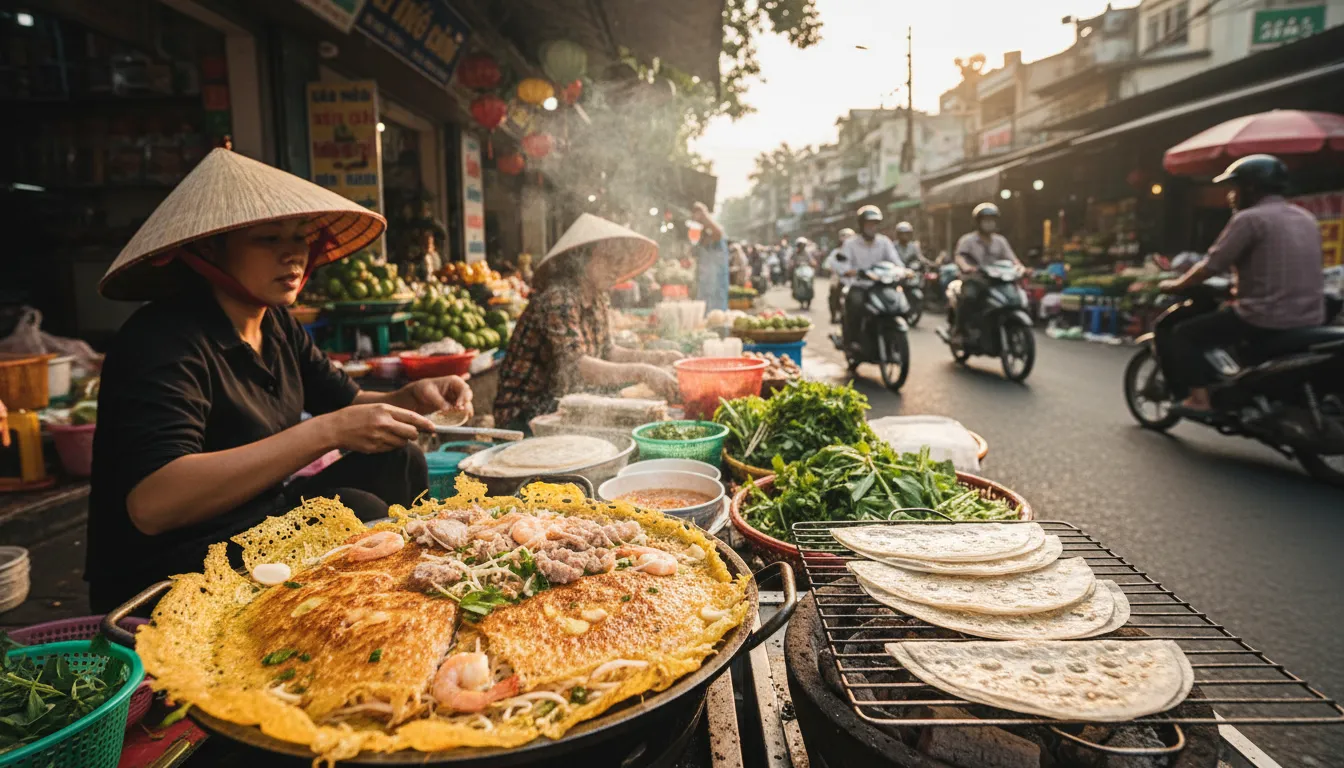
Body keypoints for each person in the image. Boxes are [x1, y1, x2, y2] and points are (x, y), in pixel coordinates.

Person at [86, 148, 472, 611]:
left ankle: (411, 603)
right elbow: (153, 506)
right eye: (269, 238)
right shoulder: (162, 339)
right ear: (209, 249)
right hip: (169, 565)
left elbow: (346, 401)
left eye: (300, 237)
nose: (292, 254)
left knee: (400, 460)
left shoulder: (277, 323)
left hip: (256, 520)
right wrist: (324, 432)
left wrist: (412, 397)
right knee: (360, 511)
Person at [1156, 154, 1324, 412]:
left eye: (1234, 189)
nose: (1231, 196)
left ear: (1251, 188)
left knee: (1184, 334)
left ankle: (1199, 400)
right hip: (1309, 316)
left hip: (1263, 316)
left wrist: (1177, 284)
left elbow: (1212, 265)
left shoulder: (1249, 219)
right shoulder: (1306, 218)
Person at [495, 214, 682, 431]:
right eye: (609, 258)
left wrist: (658, 358)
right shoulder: (558, 297)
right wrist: (643, 372)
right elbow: (578, 365)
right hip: (525, 414)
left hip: (563, 403)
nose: (616, 268)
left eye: (620, 261)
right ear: (581, 258)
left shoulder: (598, 297)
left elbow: (607, 351)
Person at [951, 202, 1021, 340]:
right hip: (975, 279)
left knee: (1014, 297)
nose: (989, 223)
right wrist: (966, 267)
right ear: (978, 222)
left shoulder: (1000, 241)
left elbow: (1013, 259)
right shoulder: (968, 240)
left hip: (997, 280)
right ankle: (959, 331)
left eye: (992, 220)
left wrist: (1020, 268)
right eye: (986, 220)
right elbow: (959, 256)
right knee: (968, 298)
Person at [839, 206, 904, 344]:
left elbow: (896, 261)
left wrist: (904, 271)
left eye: (875, 224)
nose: (872, 227)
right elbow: (843, 265)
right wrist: (852, 271)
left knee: (896, 303)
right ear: (861, 225)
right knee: (855, 304)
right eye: (869, 224)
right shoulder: (850, 244)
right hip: (860, 286)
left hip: (881, 285)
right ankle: (852, 341)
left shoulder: (884, 242)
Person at [691, 202, 729, 312]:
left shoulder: (717, 239)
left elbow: (718, 232)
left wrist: (703, 215)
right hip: (703, 292)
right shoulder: (702, 242)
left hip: (715, 292)